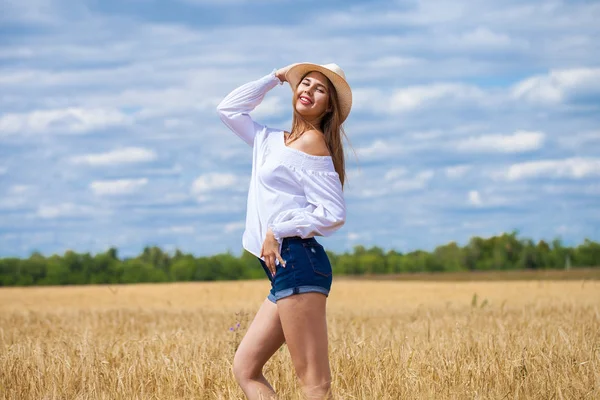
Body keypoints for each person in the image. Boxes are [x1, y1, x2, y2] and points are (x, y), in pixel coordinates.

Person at [217, 62, 352, 400]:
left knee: (315, 385)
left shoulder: (312, 143)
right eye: (304, 84)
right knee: (245, 368)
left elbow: (334, 214)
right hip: (283, 271)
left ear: (329, 106)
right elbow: (229, 109)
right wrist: (277, 76)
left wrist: (277, 228)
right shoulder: (269, 140)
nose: (308, 90)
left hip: (299, 262)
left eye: (320, 89)